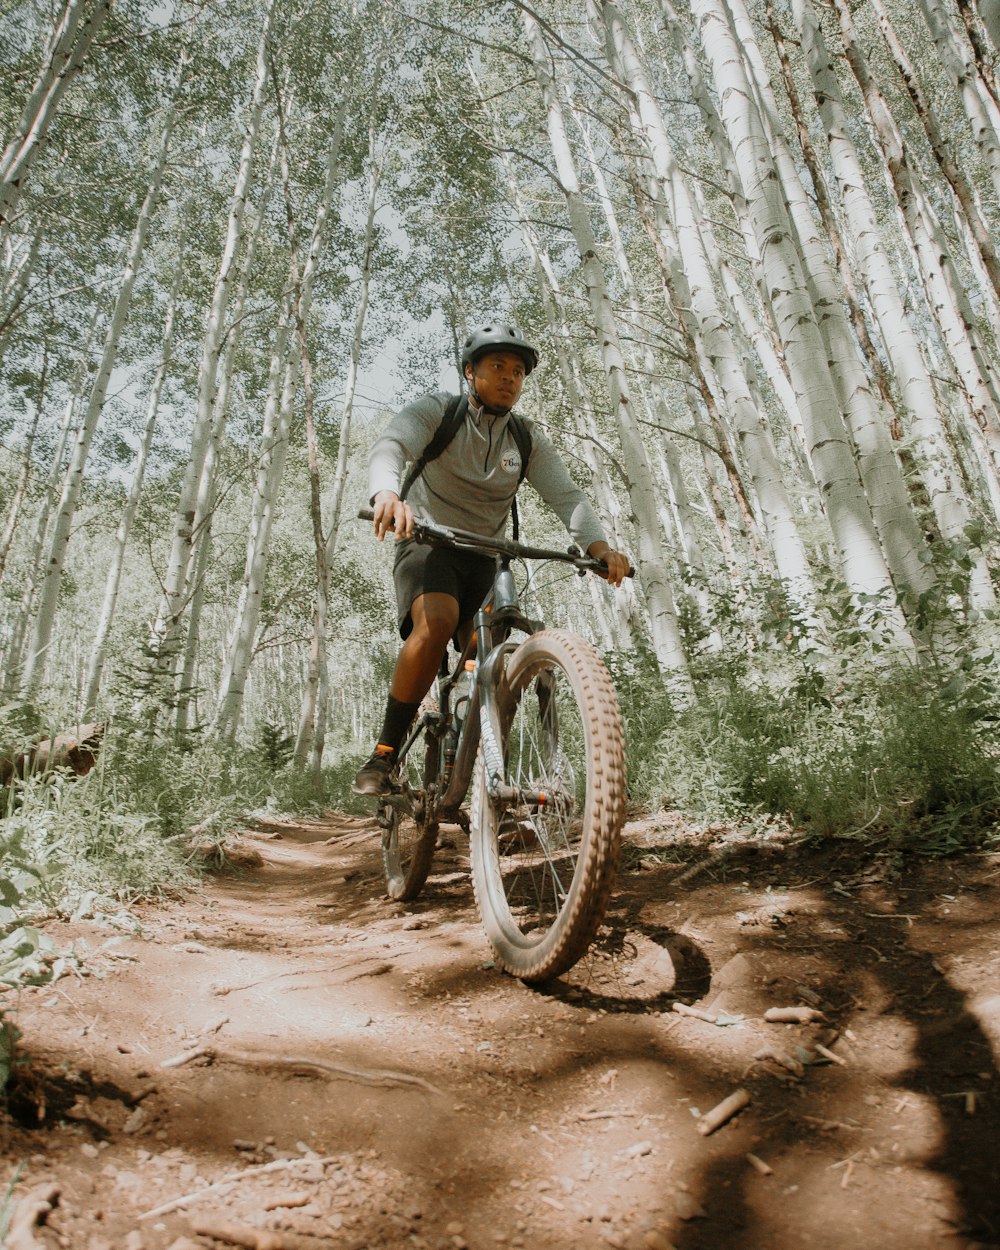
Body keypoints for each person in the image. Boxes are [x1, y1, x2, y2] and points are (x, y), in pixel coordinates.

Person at [352, 321, 631, 796]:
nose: (509, 377)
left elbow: (565, 495)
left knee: (489, 659)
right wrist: (386, 493)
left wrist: (599, 547)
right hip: (426, 542)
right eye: (497, 366)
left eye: (518, 371)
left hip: (487, 556)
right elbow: (391, 445)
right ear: (469, 372)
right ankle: (384, 754)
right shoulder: (439, 412)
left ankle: (482, 772)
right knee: (438, 621)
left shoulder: (525, 440)